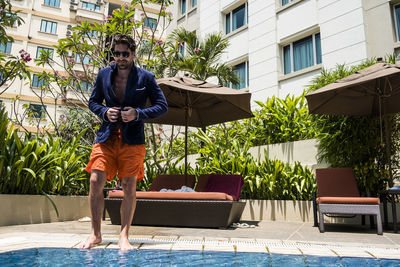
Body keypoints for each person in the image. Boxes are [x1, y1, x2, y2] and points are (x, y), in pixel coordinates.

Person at [81, 34, 168, 250]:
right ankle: (95, 234)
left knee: (129, 186)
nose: (120, 57)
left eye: (124, 53)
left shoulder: (146, 78)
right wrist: (104, 111)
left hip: (133, 139)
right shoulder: (103, 75)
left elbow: (162, 106)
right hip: (106, 136)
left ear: (133, 53)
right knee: (95, 180)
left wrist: (138, 113)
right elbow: (93, 101)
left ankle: (124, 236)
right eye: (116, 54)